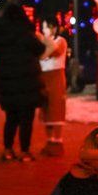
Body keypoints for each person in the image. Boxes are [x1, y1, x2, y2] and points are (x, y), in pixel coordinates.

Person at [0, 3, 44, 162]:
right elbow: (40, 49)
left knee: (11, 118)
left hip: (8, 83)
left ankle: (7, 150)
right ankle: (25, 151)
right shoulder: (25, 34)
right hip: (27, 83)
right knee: (26, 119)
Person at [37, 17, 68, 157]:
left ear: (54, 28)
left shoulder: (60, 41)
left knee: (56, 109)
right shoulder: (44, 43)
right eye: (42, 28)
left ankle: (58, 141)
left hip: (56, 78)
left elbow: (54, 52)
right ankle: (49, 141)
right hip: (44, 79)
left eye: (47, 27)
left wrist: (43, 45)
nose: (44, 31)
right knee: (46, 110)